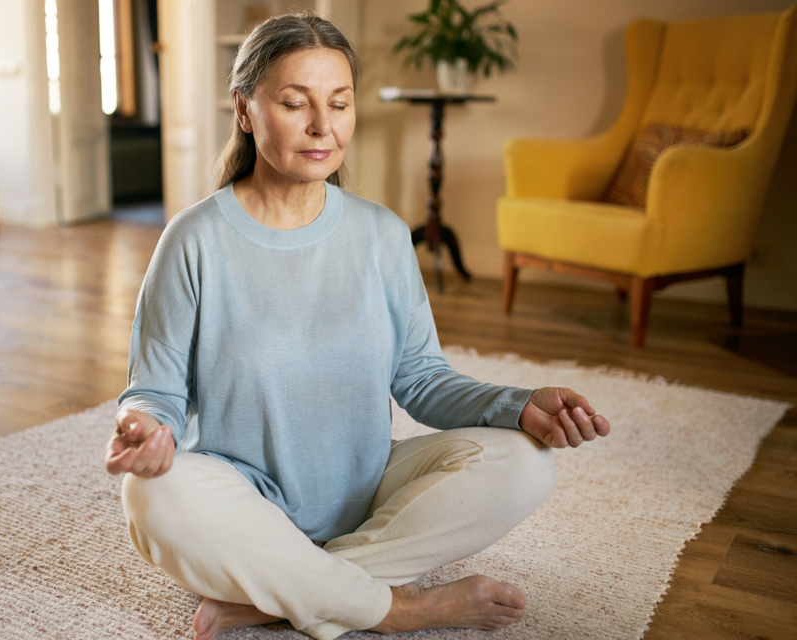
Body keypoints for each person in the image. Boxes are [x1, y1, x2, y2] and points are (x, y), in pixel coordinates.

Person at [105, 13, 610, 640]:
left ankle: (285, 594)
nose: (323, 126)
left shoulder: (382, 235)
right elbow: (156, 392)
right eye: (295, 103)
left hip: (367, 493)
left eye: (339, 104)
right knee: (150, 495)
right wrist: (148, 432)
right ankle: (397, 609)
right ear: (244, 110)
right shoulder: (193, 239)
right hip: (246, 503)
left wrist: (519, 404)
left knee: (527, 462)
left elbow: (422, 379)